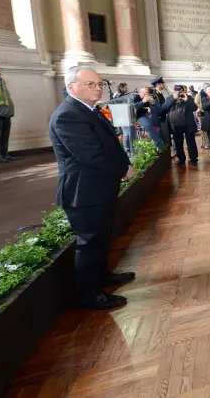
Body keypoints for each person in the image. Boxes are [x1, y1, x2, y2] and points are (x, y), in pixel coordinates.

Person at [49, 66, 135, 310]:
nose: (98, 88)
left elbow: (111, 146)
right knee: (89, 243)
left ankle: (102, 276)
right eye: (90, 84)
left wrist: (124, 163)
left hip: (98, 188)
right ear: (71, 87)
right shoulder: (68, 115)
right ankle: (90, 295)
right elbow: (92, 155)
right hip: (83, 192)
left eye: (99, 84)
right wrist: (123, 169)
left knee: (101, 238)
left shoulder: (89, 110)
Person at [162, 85, 198, 166]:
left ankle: (193, 157)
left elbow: (195, 108)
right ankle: (181, 158)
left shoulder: (188, 98)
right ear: (174, 91)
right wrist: (173, 99)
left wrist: (187, 100)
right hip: (175, 124)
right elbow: (164, 108)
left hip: (188, 124)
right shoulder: (170, 98)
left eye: (180, 91)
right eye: (177, 91)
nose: (179, 93)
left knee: (191, 141)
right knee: (178, 142)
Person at [150, 76, 171, 147]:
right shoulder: (153, 94)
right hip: (158, 118)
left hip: (163, 117)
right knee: (160, 137)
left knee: (165, 137)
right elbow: (157, 107)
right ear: (158, 84)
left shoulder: (159, 93)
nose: (164, 85)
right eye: (162, 83)